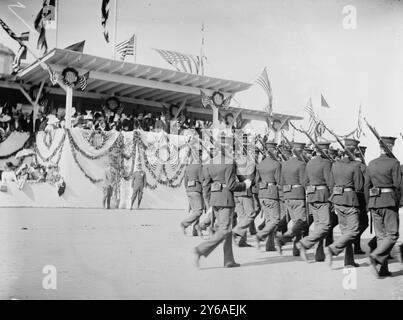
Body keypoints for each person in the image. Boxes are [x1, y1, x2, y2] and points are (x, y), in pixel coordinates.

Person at [194, 133, 252, 268]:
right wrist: (245, 185)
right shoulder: (230, 163)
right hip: (225, 199)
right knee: (225, 230)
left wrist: (209, 201)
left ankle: (228, 260)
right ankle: (201, 249)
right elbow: (231, 185)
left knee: (226, 230)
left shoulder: (209, 163)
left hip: (214, 199)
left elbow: (206, 185)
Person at [364, 136, 401, 278]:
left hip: (374, 202)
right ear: (391, 147)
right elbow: (398, 186)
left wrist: (369, 204)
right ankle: (375, 256)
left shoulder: (371, 164)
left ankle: (383, 269)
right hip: (388, 202)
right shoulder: (394, 163)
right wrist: (396, 202)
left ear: (380, 148)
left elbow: (367, 186)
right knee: (392, 235)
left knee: (381, 237)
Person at [325, 138, 363, 268]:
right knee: (353, 230)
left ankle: (349, 262)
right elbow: (358, 186)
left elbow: (331, 184)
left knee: (345, 232)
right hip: (349, 200)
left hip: (337, 200)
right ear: (355, 151)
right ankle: (333, 248)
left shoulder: (334, 164)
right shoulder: (356, 165)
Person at [298, 141, 334, 262]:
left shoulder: (309, 163)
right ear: (325, 151)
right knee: (325, 225)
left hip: (312, 196)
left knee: (318, 226)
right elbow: (330, 182)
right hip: (322, 196)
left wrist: (312, 188)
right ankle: (304, 243)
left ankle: (319, 254)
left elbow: (304, 181)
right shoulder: (326, 163)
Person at [276, 142, 308, 256]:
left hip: (287, 196)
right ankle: (283, 239)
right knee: (301, 221)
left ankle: (296, 250)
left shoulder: (285, 164)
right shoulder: (301, 165)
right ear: (300, 151)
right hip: (298, 196)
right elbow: (304, 183)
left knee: (296, 223)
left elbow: (280, 182)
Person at [254, 141, 282, 251]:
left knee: (269, 220)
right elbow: (279, 181)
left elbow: (257, 181)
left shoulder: (261, 164)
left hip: (262, 193)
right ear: (274, 151)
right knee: (275, 220)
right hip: (271, 193)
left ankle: (269, 245)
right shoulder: (276, 164)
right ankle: (260, 235)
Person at [232, 149, 256, 247]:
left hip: (236, 192)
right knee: (251, 214)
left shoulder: (234, 162)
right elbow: (251, 180)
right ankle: (236, 231)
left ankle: (242, 241)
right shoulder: (250, 163)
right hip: (245, 192)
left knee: (241, 217)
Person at [180, 148, 204, 236]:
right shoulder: (200, 166)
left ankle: (195, 230)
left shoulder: (188, 167)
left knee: (195, 211)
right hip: (197, 190)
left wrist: (188, 189)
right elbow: (202, 179)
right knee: (199, 211)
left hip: (189, 190)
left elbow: (185, 181)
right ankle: (185, 223)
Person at [352, 145, 369, 254]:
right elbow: (367, 185)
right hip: (361, 197)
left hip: (350, 197)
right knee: (363, 223)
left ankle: (356, 246)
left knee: (356, 223)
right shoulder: (363, 167)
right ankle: (356, 244)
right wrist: (368, 203)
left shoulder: (351, 165)